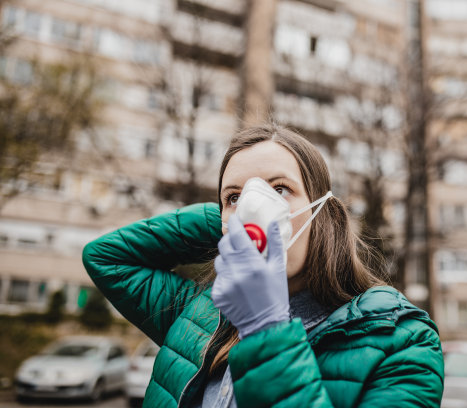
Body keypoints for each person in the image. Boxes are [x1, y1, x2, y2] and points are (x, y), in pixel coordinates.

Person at [82, 124, 444, 408]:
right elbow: (107, 257)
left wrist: (265, 329)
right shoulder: (201, 317)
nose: (254, 207)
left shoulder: (402, 341)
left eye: (279, 189)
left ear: (323, 214)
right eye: (234, 196)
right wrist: (231, 222)